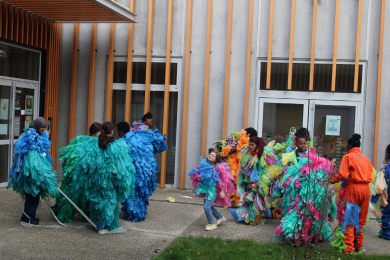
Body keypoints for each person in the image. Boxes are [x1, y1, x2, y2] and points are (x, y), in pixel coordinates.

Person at [69, 122, 135, 234]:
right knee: (109, 202)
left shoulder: (94, 144)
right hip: (109, 181)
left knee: (98, 201)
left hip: (97, 180)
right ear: (112, 131)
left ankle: (99, 224)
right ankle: (103, 227)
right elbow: (121, 167)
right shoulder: (117, 146)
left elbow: (87, 162)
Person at [7, 117, 59, 226]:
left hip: (33, 174)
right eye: (42, 127)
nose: (44, 129)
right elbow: (31, 160)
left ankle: (30, 216)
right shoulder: (31, 138)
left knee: (33, 196)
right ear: (37, 126)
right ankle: (27, 219)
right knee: (32, 196)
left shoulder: (38, 136)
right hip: (30, 174)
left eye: (45, 127)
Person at [330, 134, 373, 255]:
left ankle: (349, 248)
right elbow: (371, 175)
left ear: (349, 146)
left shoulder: (348, 157)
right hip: (365, 189)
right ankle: (359, 246)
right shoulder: (366, 159)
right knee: (360, 220)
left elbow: (343, 175)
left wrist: (331, 179)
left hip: (353, 189)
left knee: (349, 218)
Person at [51, 122, 102, 223]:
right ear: (96, 132)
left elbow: (69, 155)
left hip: (75, 172)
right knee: (84, 193)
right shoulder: (95, 142)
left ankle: (64, 213)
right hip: (84, 173)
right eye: (100, 131)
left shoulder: (80, 139)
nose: (101, 134)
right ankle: (84, 215)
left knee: (72, 193)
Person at [119, 121, 168, 222]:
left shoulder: (124, 140)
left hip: (135, 171)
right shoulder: (142, 136)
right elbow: (159, 144)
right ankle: (139, 213)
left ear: (121, 131)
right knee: (141, 193)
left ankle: (135, 215)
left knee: (132, 192)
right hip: (148, 170)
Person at [229, 136, 280, 225]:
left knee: (256, 199)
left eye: (252, 145)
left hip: (260, 182)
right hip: (249, 181)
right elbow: (244, 166)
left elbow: (270, 165)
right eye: (250, 144)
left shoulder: (264, 154)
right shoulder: (248, 153)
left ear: (258, 145)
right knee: (248, 198)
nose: (250, 147)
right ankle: (248, 216)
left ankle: (254, 217)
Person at [188, 150, 235, 231]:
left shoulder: (218, 168)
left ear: (216, 159)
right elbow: (200, 175)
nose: (210, 155)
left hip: (214, 190)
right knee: (208, 205)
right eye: (210, 154)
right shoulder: (204, 165)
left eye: (213, 155)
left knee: (206, 207)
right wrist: (199, 177)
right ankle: (220, 217)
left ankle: (212, 223)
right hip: (207, 189)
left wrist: (222, 191)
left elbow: (224, 180)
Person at [214, 128, 257, 208]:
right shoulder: (238, 139)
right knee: (231, 180)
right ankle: (227, 199)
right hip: (233, 162)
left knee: (234, 180)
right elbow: (226, 148)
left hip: (237, 162)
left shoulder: (238, 139)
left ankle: (231, 199)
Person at [371, 144, 390, 240]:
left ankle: (386, 232)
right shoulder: (387, 167)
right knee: (386, 213)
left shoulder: (387, 167)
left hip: (388, 194)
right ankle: (386, 231)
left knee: (386, 213)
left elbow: (381, 183)